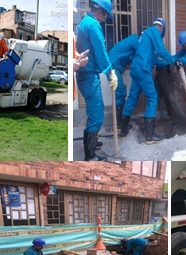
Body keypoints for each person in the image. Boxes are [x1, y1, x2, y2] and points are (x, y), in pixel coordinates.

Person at [119, 19, 177, 145]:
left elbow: (154, 59)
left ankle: (123, 130)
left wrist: (165, 64)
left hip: (136, 69)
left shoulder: (145, 36)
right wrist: (173, 61)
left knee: (132, 98)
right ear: (161, 28)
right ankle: (150, 136)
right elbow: (161, 50)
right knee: (152, 98)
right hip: (143, 70)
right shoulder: (154, 30)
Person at [75, 0, 118, 161]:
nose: (106, 18)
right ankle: (90, 155)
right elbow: (101, 53)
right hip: (89, 76)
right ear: (100, 11)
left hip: (84, 75)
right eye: (106, 14)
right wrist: (110, 73)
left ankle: (91, 143)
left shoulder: (83, 23)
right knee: (97, 116)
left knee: (92, 113)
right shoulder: (93, 26)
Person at [108, 34, 140, 133]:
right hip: (112, 65)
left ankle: (120, 123)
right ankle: (118, 124)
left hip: (114, 64)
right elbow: (144, 51)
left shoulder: (134, 43)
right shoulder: (135, 40)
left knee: (120, 93)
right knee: (120, 93)